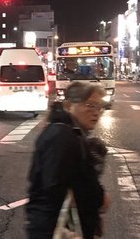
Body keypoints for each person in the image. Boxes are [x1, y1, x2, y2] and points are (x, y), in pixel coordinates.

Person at [26, 81, 111, 239]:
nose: (96, 112)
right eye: (90, 105)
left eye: (99, 107)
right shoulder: (62, 136)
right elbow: (54, 185)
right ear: (68, 105)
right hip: (56, 228)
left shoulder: (69, 132)